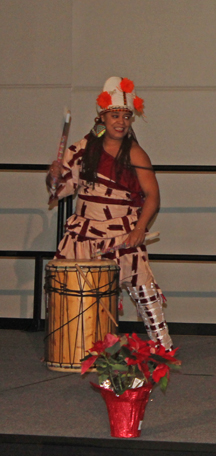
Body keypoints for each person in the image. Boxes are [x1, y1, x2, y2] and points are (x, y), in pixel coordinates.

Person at [46, 76, 172, 350]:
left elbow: (153, 196)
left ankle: (163, 349)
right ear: (102, 117)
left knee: (144, 292)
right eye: (115, 115)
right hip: (84, 234)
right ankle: (72, 350)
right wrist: (54, 176)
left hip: (123, 234)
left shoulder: (135, 153)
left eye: (126, 117)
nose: (121, 122)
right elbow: (61, 188)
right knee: (70, 292)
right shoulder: (82, 149)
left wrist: (139, 229)